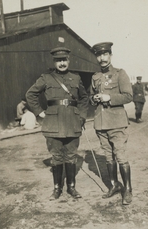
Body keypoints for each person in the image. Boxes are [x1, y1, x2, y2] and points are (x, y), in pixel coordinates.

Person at [26, 47, 89, 200]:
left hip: (73, 122)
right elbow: (30, 94)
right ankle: (57, 189)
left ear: (69, 60)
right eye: (58, 60)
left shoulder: (76, 78)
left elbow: (84, 98)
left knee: (71, 156)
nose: (61, 63)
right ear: (54, 62)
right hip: (53, 123)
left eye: (64, 59)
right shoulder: (46, 78)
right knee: (56, 156)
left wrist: (81, 116)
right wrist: (39, 112)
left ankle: (71, 188)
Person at [90, 42, 133, 205]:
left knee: (120, 156)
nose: (102, 58)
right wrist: (93, 99)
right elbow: (90, 97)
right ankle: (114, 185)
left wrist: (110, 98)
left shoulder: (120, 73)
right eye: (99, 55)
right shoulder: (95, 77)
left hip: (117, 123)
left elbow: (128, 96)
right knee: (109, 157)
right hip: (101, 124)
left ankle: (127, 190)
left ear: (110, 55)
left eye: (105, 54)